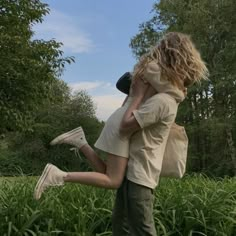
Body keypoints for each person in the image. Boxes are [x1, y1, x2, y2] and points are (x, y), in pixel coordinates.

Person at [34, 32, 208, 235]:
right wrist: (140, 94)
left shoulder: (157, 84)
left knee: (113, 189)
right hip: (137, 163)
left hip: (131, 151)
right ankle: (59, 175)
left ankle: (80, 143)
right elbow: (132, 118)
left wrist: (140, 94)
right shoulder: (163, 93)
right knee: (124, 199)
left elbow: (138, 96)